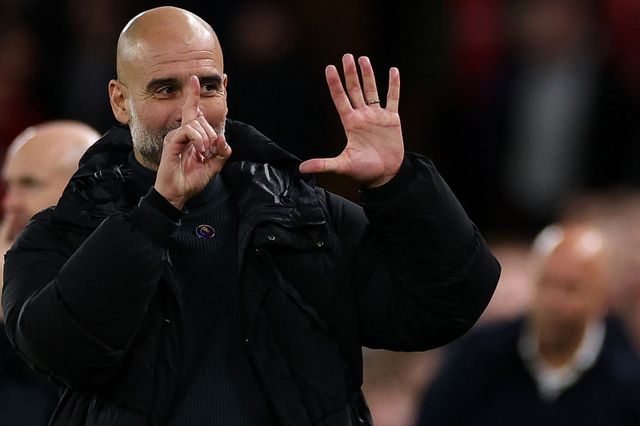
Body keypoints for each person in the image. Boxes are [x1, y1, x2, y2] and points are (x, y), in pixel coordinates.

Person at [1, 7, 500, 426]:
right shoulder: (64, 230)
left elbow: (442, 307)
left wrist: (400, 185)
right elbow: (60, 350)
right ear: (119, 101)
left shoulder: (302, 214)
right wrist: (156, 212)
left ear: (227, 89)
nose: (190, 110)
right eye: (165, 89)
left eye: (207, 86)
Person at [417, 223, 640, 426]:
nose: (554, 301)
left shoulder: (627, 379)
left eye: (570, 288)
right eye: (546, 283)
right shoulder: (477, 356)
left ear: (602, 299)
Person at [0, 120, 98, 425]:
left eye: (29, 184)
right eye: (8, 186)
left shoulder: (122, 272)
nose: (10, 203)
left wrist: (7, 307)